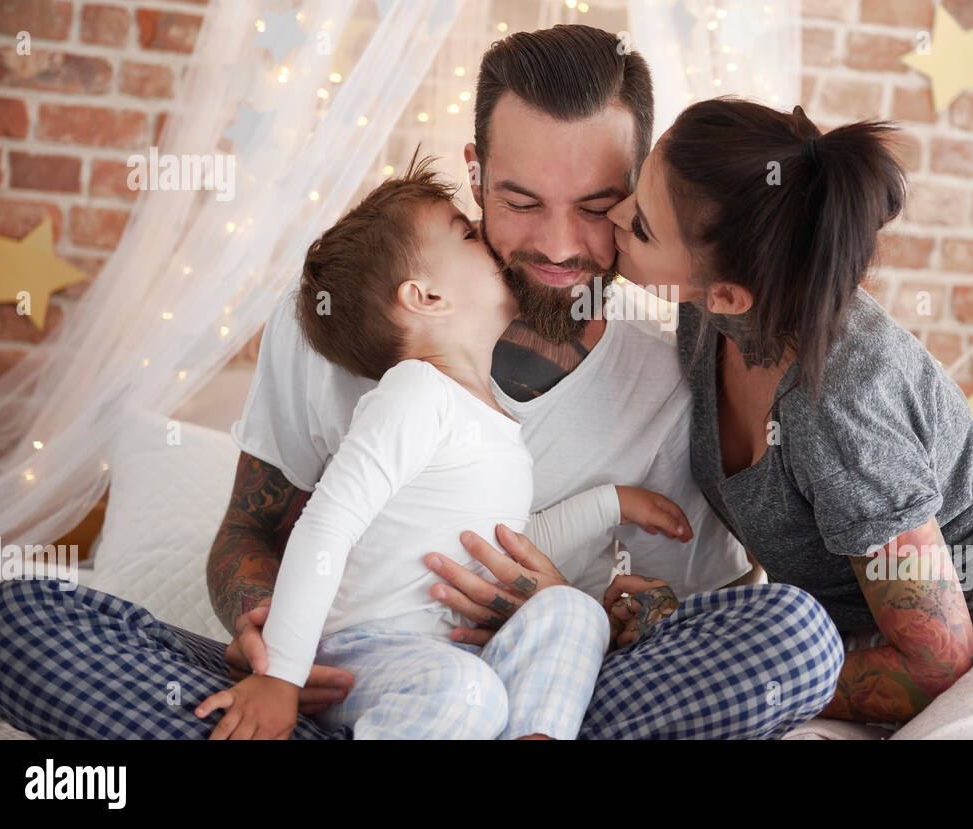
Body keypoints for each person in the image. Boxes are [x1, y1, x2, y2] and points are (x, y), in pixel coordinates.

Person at [0, 26, 843, 740]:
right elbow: (252, 529)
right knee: (16, 621)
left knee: (795, 639)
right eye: (519, 201)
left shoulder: (671, 379)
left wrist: (603, 612)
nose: (559, 245)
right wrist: (268, 636)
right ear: (473, 175)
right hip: (343, 680)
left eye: (596, 205)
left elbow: (699, 614)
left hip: (538, 694)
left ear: (639, 192)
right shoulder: (335, 319)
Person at [592, 96, 973, 739]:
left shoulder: (843, 401)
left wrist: (736, 661)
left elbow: (937, 662)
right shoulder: (705, 323)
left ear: (731, 293)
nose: (615, 212)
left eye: (643, 227)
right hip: (874, 660)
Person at [194, 158, 691, 739]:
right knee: (466, 692)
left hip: (448, 662)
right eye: (467, 234)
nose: (492, 243)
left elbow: (504, 550)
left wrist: (611, 503)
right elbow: (327, 523)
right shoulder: (414, 391)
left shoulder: (496, 426)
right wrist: (282, 672)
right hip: (365, 652)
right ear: (426, 296)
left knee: (575, 612)